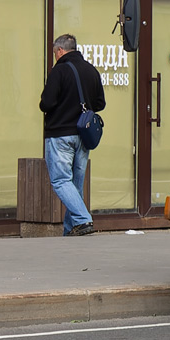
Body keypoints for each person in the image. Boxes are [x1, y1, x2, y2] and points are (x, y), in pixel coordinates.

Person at [38, 34, 104, 236]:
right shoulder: (91, 70)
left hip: (60, 134)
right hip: (83, 135)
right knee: (75, 184)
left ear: (60, 50)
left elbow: (47, 103)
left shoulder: (59, 71)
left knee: (60, 181)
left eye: (54, 52)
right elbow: (100, 103)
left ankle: (83, 220)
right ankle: (70, 229)